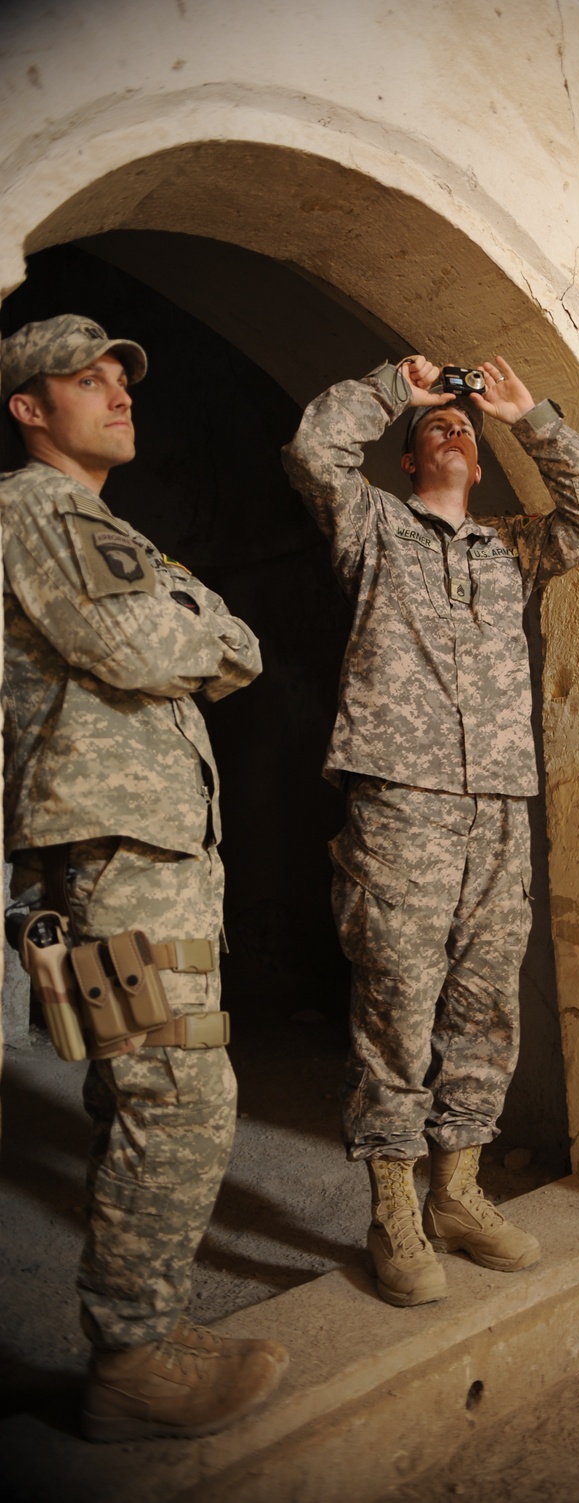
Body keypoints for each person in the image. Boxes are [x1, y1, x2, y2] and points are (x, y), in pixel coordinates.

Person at [283, 353, 579, 1306]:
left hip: (501, 806)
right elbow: (314, 450)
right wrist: (404, 386)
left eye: (465, 432)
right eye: (440, 427)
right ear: (407, 461)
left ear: (479, 466)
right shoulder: (373, 527)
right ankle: (393, 1205)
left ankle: (459, 1193)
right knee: (397, 996)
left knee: (485, 1002)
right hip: (404, 798)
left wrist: (529, 418)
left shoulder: (510, 548)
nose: (454, 430)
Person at [1, 314, 288, 1441]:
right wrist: (195, 624)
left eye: (123, 376)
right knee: (180, 1092)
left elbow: (246, 643)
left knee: (143, 1086)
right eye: (88, 379)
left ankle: (143, 1329)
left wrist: (197, 623)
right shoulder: (41, 508)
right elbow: (142, 650)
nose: (119, 392)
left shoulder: (105, 526)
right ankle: (131, 1359)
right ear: (30, 408)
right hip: (112, 842)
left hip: (140, 840)